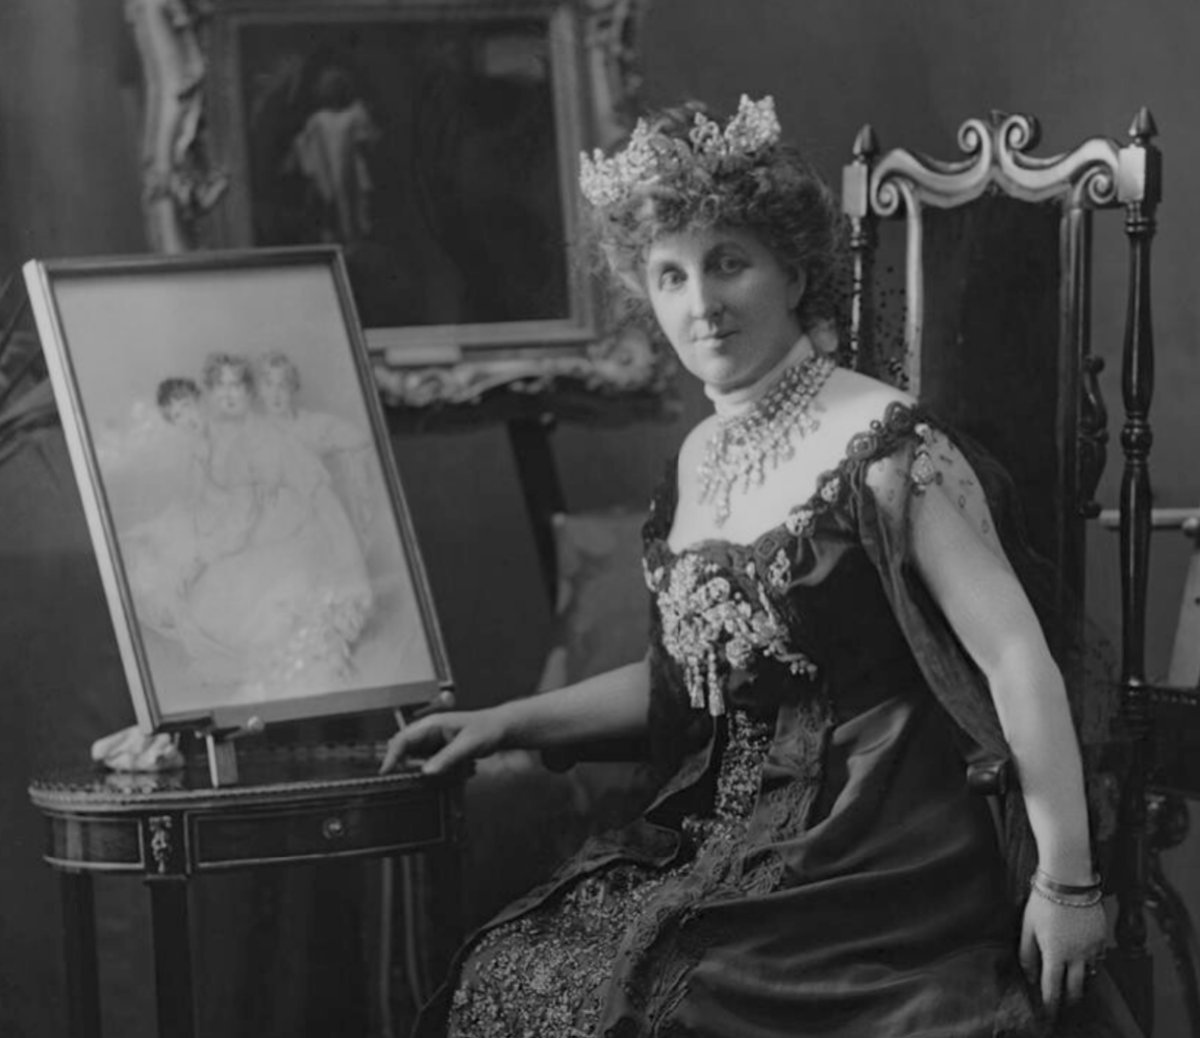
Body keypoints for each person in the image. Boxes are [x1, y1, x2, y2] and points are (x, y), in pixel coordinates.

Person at [380, 96, 1141, 1037]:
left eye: (727, 263)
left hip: (879, 849)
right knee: (513, 975)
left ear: (792, 268)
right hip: (728, 839)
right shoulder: (701, 457)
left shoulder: (888, 446)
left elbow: (1017, 659)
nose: (700, 304)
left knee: (665, 1007)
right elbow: (685, 680)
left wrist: (1068, 882)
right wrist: (503, 723)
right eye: (670, 276)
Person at [254, 350, 376, 539]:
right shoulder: (254, 432)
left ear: (294, 388)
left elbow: (360, 440)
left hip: (317, 515)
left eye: (283, 385)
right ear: (260, 390)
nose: (276, 394)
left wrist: (338, 460)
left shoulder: (311, 424)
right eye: (269, 385)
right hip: (275, 517)